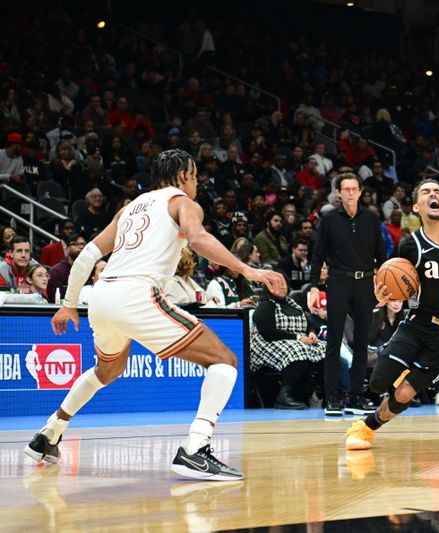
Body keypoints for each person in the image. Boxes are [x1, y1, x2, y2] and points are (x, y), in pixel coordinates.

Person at [24, 149, 286, 481]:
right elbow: (199, 238)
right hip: (137, 294)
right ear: (181, 177)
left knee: (107, 370)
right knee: (225, 361)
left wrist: (70, 302)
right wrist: (248, 270)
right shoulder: (182, 203)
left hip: (103, 297)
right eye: (193, 176)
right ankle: (195, 450)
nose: (196, 183)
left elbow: (89, 252)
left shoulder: (129, 208)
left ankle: (48, 433)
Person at [344, 179, 439, 450]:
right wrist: (385, 297)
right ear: (416, 207)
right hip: (420, 322)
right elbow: (402, 287)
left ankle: (367, 426)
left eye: (438, 191)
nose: (433, 194)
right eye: (426, 192)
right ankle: (405, 373)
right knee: (378, 383)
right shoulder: (409, 246)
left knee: (404, 392)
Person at [308, 173, 387, 416]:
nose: (351, 193)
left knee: (362, 342)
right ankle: (332, 398)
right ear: (338, 193)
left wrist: (384, 286)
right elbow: (318, 255)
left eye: (354, 189)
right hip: (339, 281)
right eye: (346, 189)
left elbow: (382, 257)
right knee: (333, 341)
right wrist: (313, 286)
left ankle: (356, 398)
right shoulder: (329, 219)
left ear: (360, 192)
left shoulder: (372, 219)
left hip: (365, 283)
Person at [250, 277, 326, 410]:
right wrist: (298, 337)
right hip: (266, 345)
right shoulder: (265, 305)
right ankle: (283, 396)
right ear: (269, 287)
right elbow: (268, 332)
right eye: (278, 285)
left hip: (295, 341)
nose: (283, 287)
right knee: (298, 349)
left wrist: (311, 333)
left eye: (284, 284)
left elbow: (308, 323)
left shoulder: (293, 303)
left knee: (326, 348)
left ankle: (324, 394)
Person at [46, 232, 87, 303]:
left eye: (83, 244)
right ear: (67, 249)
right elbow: (54, 299)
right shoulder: (57, 271)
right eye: (76, 244)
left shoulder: (90, 268)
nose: (81, 247)